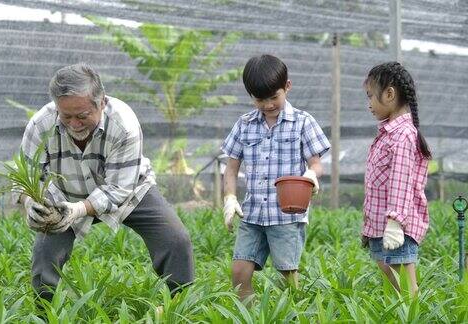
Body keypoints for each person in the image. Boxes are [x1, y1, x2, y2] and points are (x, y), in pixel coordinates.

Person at [20, 63, 194, 303]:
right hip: (63, 198)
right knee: (44, 255)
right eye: (66, 116)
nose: (74, 124)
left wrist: (79, 210)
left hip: (131, 190)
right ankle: (46, 312)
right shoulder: (41, 125)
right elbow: (27, 177)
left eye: (82, 116)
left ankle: (182, 306)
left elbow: (119, 189)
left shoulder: (124, 123)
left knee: (175, 239)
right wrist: (30, 203)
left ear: (102, 102)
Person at [221, 54, 330, 301]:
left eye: (274, 97)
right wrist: (229, 197)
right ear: (251, 96)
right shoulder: (244, 124)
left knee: (287, 273)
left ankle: (293, 314)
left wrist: (311, 175)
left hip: (287, 214)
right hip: (253, 214)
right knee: (239, 271)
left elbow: (316, 163)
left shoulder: (302, 122)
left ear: (287, 87)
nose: (268, 104)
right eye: (260, 99)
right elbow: (231, 167)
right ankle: (247, 316)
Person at [362, 62, 431, 296]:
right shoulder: (388, 134)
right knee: (392, 285)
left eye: (371, 96)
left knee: (406, 287)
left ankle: (413, 319)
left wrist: (395, 222)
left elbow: (401, 181)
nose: (369, 103)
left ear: (389, 94)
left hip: (396, 227)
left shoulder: (402, 136)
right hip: (383, 226)